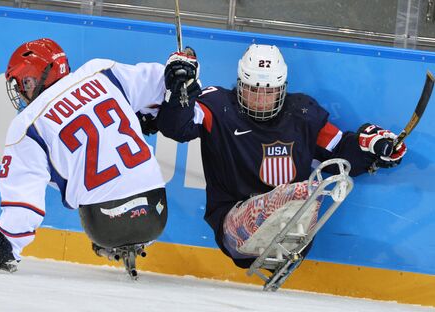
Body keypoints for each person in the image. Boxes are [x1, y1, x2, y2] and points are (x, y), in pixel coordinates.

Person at [157, 44, 407, 269]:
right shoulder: (217, 106)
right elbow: (175, 127)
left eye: (270, 92)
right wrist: (180, 89)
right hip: (234, 226)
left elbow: (340, 149)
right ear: (240, 84)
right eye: (252, 90)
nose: (260, 100)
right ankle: (275, 218)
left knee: (308, 191)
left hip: (295, 231)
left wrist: (372, 147)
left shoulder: (303, 114)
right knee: (297, 194)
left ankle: (283, 226)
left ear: (283, 88)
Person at [0, 38, 172, 273]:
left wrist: (4, 244)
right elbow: (166, 81)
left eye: (24, 83)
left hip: (106, 224)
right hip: (156, 211)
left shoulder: (27, 125)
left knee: (63, 167)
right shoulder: (102, 72)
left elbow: (24, 205)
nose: (22, 93)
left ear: (38, 76)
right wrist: (180, 70)